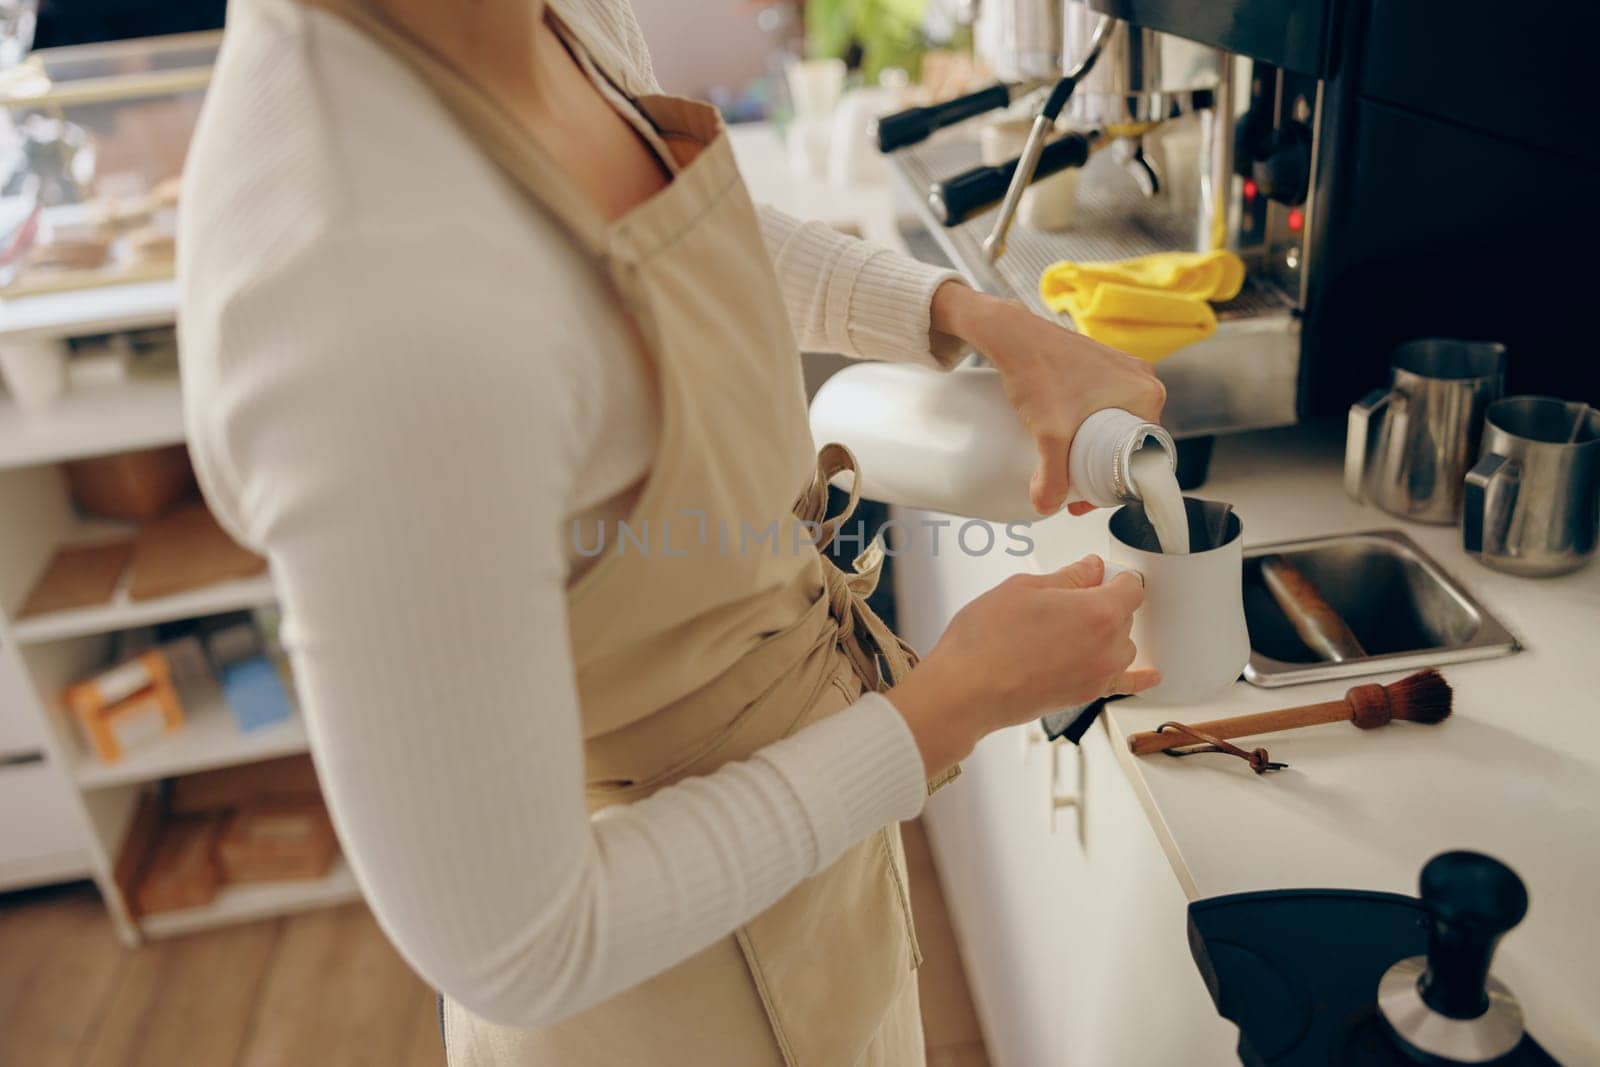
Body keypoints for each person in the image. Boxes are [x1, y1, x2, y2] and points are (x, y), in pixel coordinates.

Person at [177, 1, 1164, 1064]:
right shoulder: (355, 283)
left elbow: (660, 238)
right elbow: (521, 947)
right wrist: (954, 702)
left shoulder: (552, 18)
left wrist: (970, 317)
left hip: (817, 869)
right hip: (657, 1001)